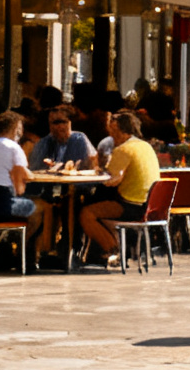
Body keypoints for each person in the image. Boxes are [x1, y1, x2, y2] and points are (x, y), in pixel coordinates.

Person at [0, 111, 55, 267]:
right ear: (16, 127)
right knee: (40, 207)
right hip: (1, 206)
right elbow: (26, 175)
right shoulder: (13, 148)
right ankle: (25, 255)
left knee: (26, 203)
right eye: (21, 127)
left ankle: (10, 248)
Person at [78, 112, 160, 267]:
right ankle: (104, 251)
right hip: (148, 204)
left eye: (115, 132)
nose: (112, 137)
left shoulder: (123, 150)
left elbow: (110, 180)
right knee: (97, 205)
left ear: (125, 131)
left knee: (86, 213)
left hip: (131, 205)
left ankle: (112, 251)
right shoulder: (146, 146)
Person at [29, 109, 98, 171]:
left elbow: (90, 165)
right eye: (56, 123)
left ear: (69, 123)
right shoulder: (43, 143)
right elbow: (35, 169)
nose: (60, 126)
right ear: (50, 125)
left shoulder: (79, 139)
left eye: (63, 122)